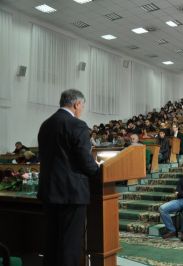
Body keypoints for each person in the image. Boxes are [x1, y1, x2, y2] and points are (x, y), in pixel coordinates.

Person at [37, 89, 100, 266]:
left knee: (52, 241)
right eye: (82, 106)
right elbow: (85, 160)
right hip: (71, 193)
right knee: (70, 244)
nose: (82, 110)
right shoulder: (77, 125)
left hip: (50, 191)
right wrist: (99, 171)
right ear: (77, 104)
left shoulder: (46, 124)